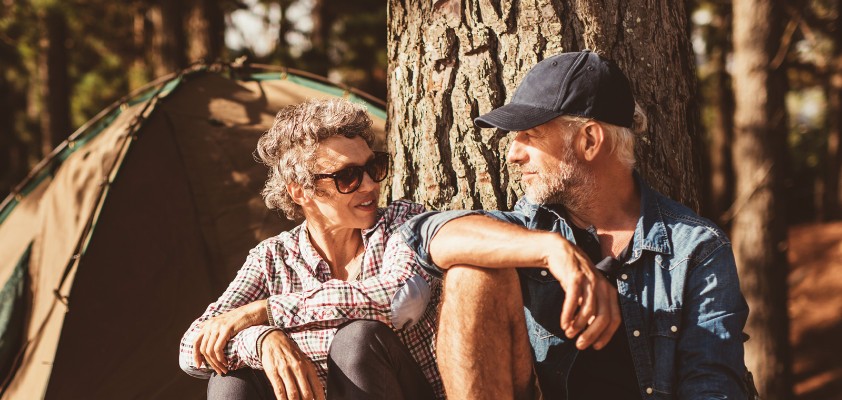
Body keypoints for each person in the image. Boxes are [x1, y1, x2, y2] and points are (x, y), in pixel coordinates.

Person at [400, 50, 752, 399]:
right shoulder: (529, 229)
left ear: (589, 140)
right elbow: (422, 235)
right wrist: (552, 250)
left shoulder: (696, 248)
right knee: (471, 273)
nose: (513, 153)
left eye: (531, 135)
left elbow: (712, 388)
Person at [179, 98, 445, 400]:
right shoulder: (272, 258)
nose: (370, 185)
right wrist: (262, 339)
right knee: (230, 379)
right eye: (348, 176)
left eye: (373, 166)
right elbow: (193, 349)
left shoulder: (403, 222)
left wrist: (267, 311)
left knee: (357, 339)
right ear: (300, 190)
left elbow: (399, 300)